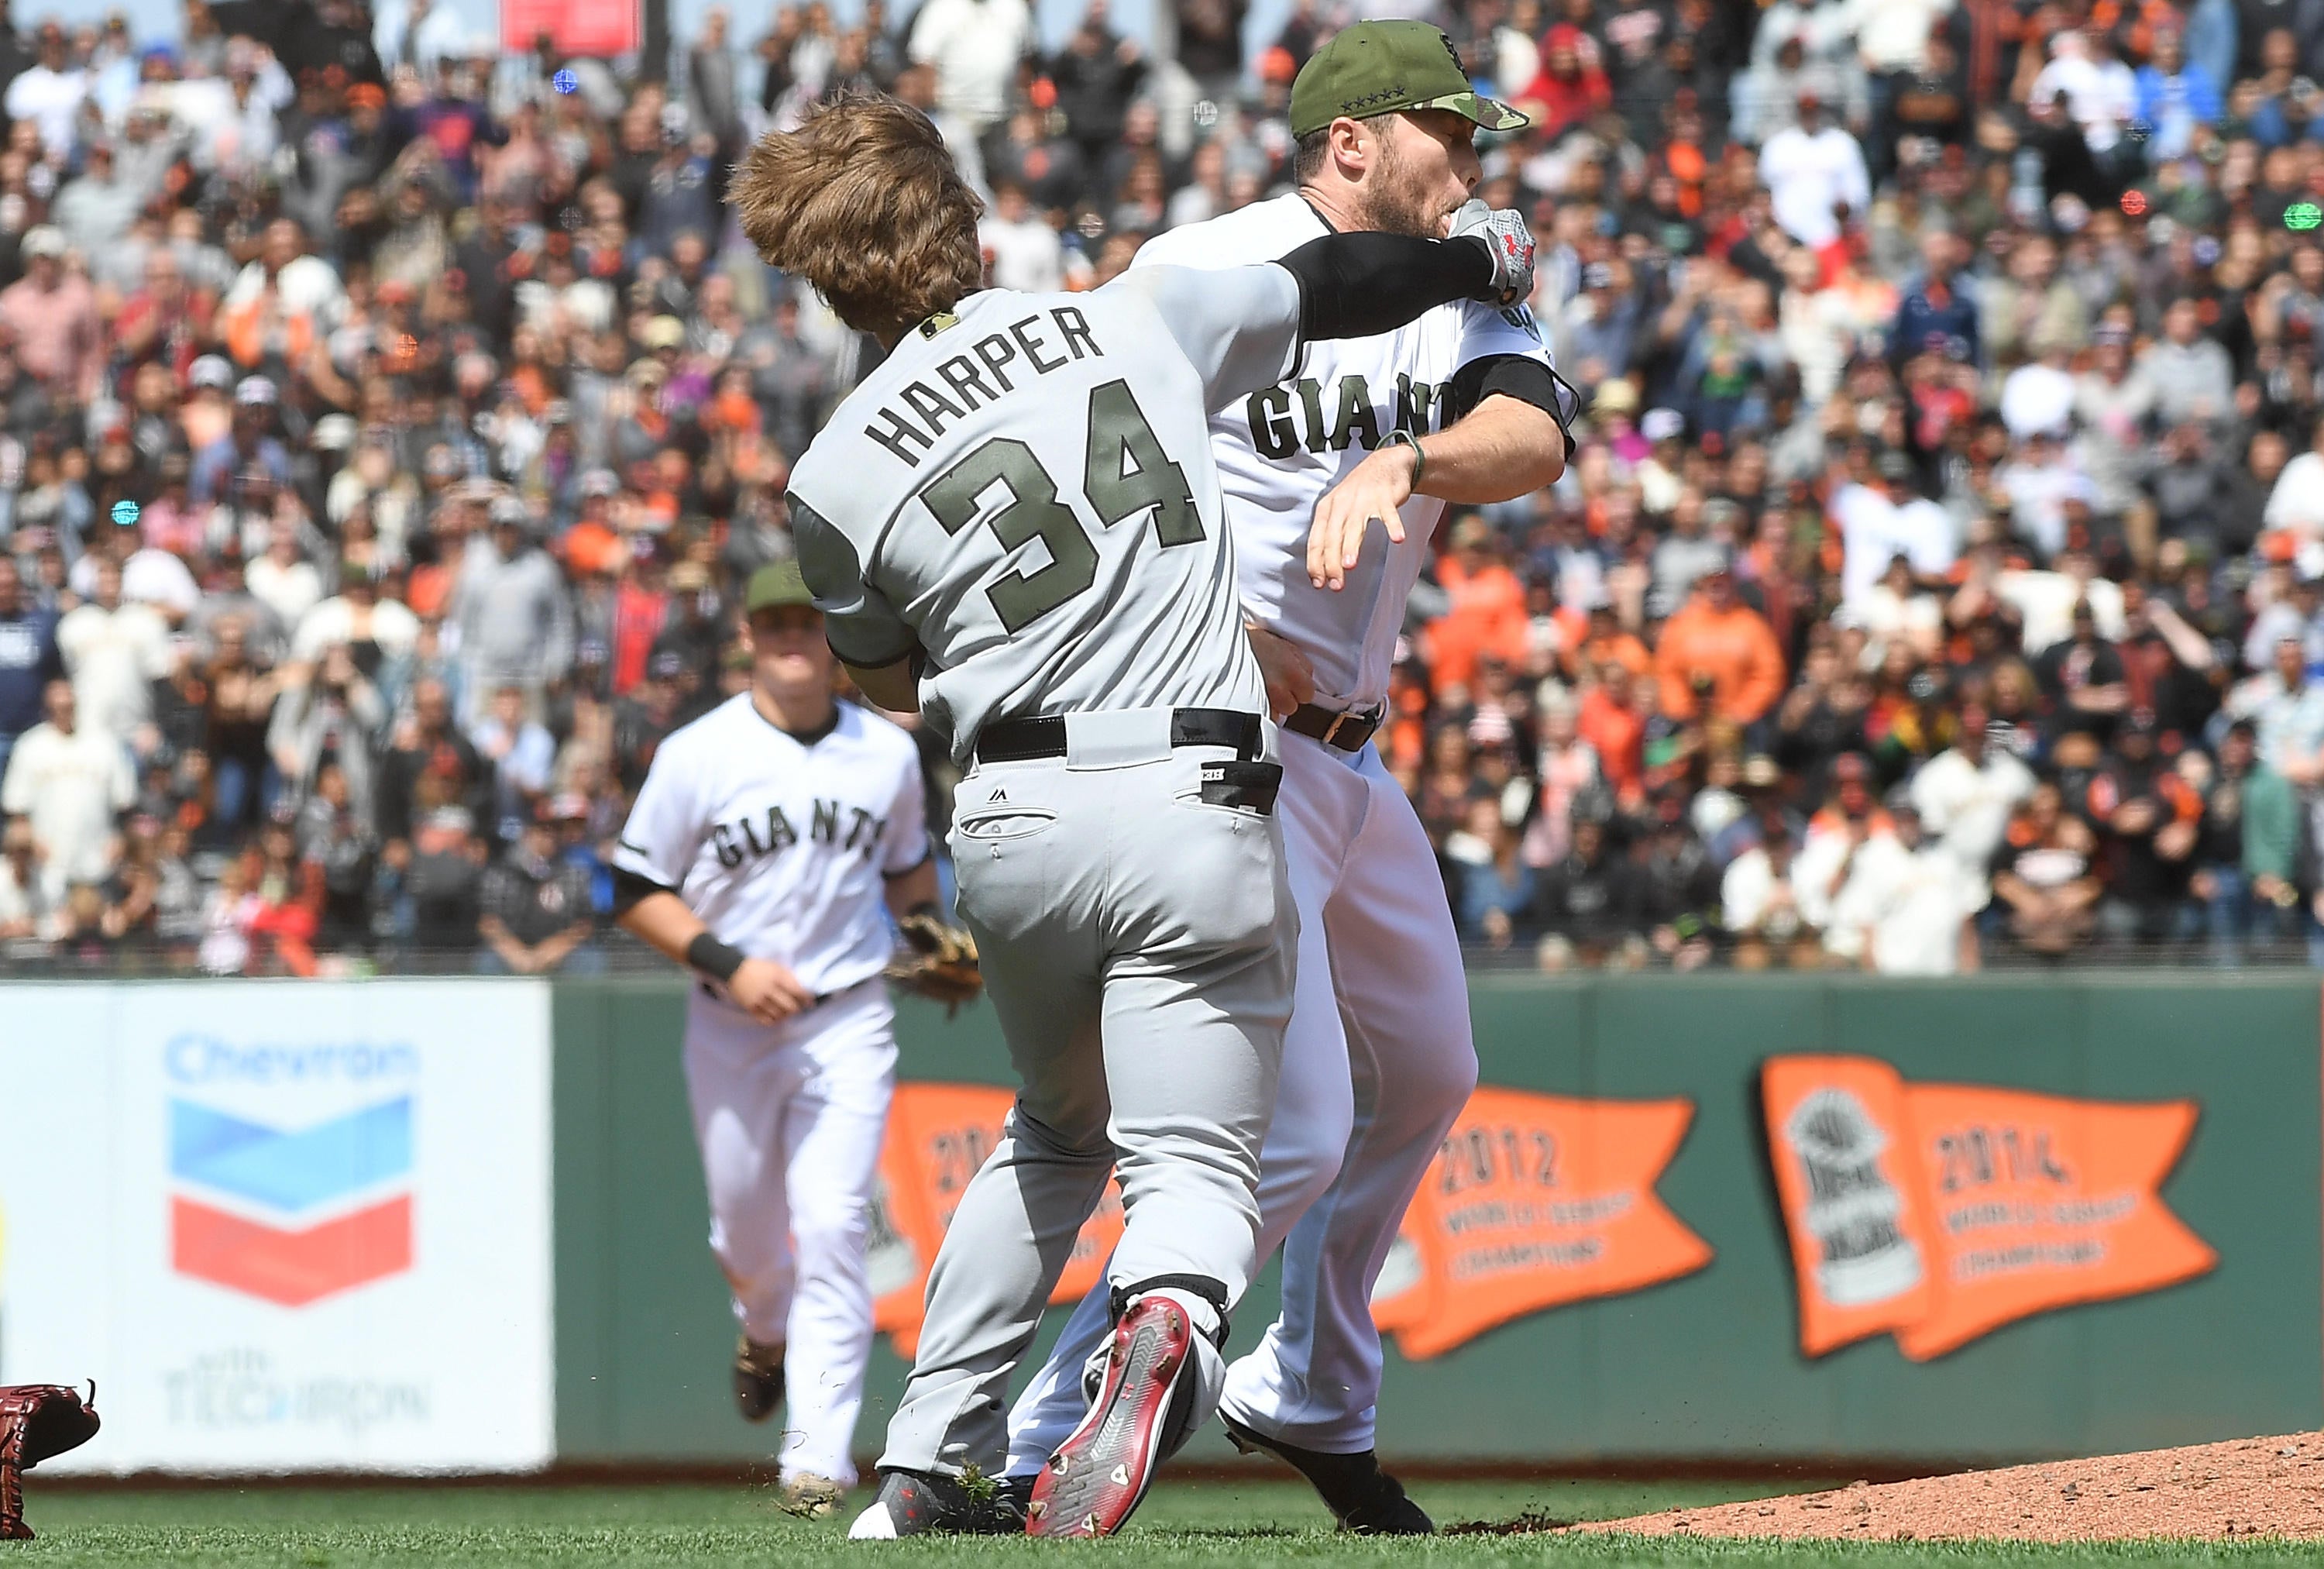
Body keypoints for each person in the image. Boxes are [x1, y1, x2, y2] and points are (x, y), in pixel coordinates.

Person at [735, 92, 1533, 1539]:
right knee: (1209, 1167)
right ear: (963, 224)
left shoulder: (831, 476)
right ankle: (1168, 1320)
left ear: (823, 273)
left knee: (1051, 1131)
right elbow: (1334, 282)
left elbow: (890, 682)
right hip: (1194, 787)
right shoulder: (1129, 316)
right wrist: (1479, 267)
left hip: (1016, 819)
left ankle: (924, 1461)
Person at [1003, 20, 1571, 1536]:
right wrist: (1206, 628)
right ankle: (1025, 1445)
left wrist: (1411, 465)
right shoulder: (1205, 269)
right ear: (1353, 140)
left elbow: (1532, 437)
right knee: (1298, 1125)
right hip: (1226, 743)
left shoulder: (1457, 283)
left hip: (1352, 759)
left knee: (1432, 1071)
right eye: (1455, 137)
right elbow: (1079, 476)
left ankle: (1308, 1386)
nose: (1478, 166)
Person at [610, 561, 935, 1519]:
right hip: (729, 1020)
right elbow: (632, 890)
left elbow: (910, 878)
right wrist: (730, 961)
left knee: (835, 1222)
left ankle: (816, 1460)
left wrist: (932, 941)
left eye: (808, 620)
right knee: (748, 1235)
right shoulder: (698, 754)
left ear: (835, 640)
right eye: (776, 621)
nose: (793, 635)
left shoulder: (886, 755)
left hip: (847, 1016)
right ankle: (761, 1327)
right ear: (750, 637)